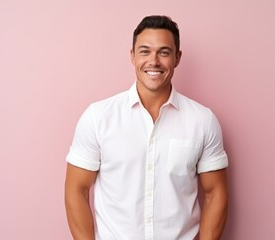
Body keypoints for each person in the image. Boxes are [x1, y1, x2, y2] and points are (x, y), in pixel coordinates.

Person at [65, 15, 228, 240]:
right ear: (132, 56)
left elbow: (215, 193)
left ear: (177, 58)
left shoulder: (203, 121)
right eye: (144, 51)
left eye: (164, 52)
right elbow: (76, 190)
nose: (154, 61)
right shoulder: (98, 117)